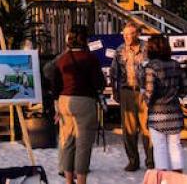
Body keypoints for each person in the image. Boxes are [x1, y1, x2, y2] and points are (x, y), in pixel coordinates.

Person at [46, 24, 106, 184]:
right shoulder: (90, 58)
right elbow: (99, 83)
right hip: (84, 102)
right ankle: (81, 181)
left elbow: (54, 84)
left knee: (67, 142)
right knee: (83, 144)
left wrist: (56, 107)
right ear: (84, 39)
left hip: (64, 101)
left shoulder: (62, 59)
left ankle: (68, 180)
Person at [142, 35, 187, 173]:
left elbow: (149, 91)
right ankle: (177, 175)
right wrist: (176, 96)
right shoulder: (175, 64)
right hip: (174, 110)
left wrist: (146, 101)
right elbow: (186, 87)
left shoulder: (151, 67)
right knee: (175, 145)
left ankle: (162, 177)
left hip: (157, 113)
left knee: (160, 147)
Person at [110, 21, 153, 171]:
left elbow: (155, 69)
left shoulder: (147, 48)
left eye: (130, 34)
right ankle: (133, 161)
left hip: (144, 92)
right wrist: (114, 91)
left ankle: (151, 162)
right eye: (125, 34)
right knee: (129, 129)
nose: (127, 37)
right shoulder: (120, 50)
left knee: (148, 128)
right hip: (127, 92)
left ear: (138, 34)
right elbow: (113, 72)